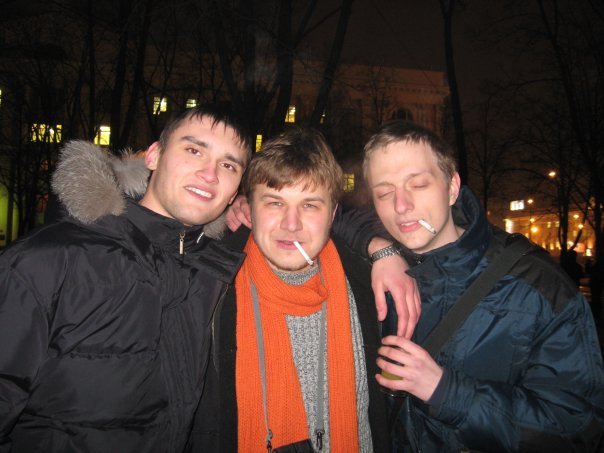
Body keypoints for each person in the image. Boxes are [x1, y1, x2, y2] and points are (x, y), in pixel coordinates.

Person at [0, 106, 254, 452]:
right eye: (194, 150)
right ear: (153, 156)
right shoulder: (48, 260)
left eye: (228, 165)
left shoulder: (215, 275)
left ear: (235, 190)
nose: (210, 174)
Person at [365, 121, 604, 452]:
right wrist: (377, 245)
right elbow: (325, 211)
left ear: (452, 187)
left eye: (418, 184)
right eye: (384, 192)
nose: (400, 205)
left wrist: (447, 392)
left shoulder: (538, 287)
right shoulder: (380, 271)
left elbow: (577, 428)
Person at [188, 128, 390, 452]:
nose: (291, 224)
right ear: (249, 208)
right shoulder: (208, 290)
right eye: (274, 202)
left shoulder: (373, 286)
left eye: (309, 205)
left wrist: (384, 249)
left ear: (333, 215)